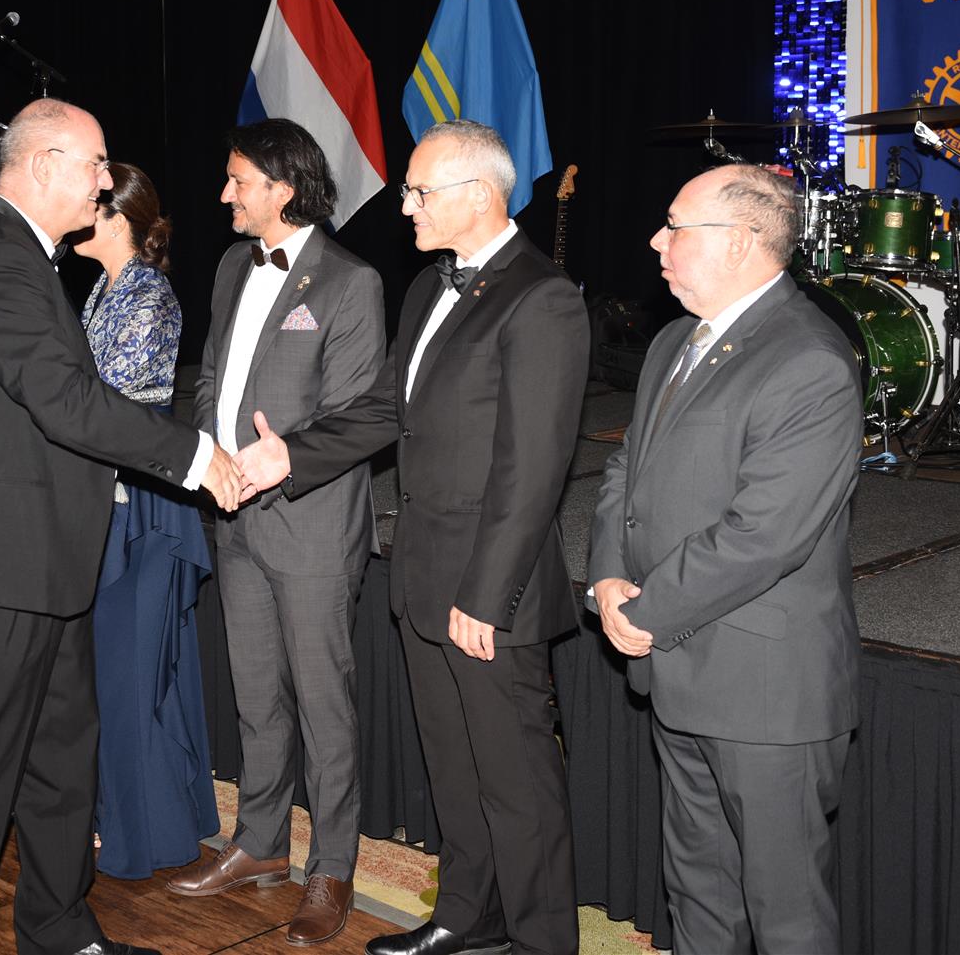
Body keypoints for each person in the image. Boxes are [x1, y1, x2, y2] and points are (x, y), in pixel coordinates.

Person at [0, 99, 243, 955]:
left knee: (59, 762)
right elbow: (67, 401)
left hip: (41, 562)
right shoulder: (1, 260)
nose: (105, 181)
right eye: (95, 163)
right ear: (43, 164)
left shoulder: (19, 256)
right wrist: (194, 455)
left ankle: (57, 929)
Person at [238, 121, 589, 955]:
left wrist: (487, 595)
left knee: (518, 784)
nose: (405, 207)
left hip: (488, 590)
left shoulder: (542, 297)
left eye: (420, 191)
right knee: (454, 767)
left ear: (480, 194)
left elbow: (532, 471)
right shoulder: (430, 288)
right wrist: (293, 453)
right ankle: (469, 914)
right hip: (424, 573)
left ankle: (543, 941)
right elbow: (387, 409)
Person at [588, 164, 863, 955]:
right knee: (698, 897)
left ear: (741, 241)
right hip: (679, 669)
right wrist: (605, 577)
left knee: (786, 916)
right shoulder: (674, 340)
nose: (656, 240)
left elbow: (763, 536)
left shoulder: (809, 359)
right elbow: (625, 471)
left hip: (765, 695)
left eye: (675, 225)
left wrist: (642, 610)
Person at [167, 121, 385, 942]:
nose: (225, 194)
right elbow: (211, 376)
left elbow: (358, 415)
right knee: (256, 694)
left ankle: (332, 868)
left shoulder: (351, 282)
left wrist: (279, 457)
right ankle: (260, 843)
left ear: (282, 188)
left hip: (310, 523)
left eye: (238, 181)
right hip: (233, 516)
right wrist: (211, 451)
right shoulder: (232, 264)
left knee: (325, 706)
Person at [70, 163, 220, 882]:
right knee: (111, 674)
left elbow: (112, 409)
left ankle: (140, 836)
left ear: (121, 220)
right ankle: (119, 818)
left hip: (141, 507)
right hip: (107, 496)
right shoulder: (103, 288)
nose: (80, 214)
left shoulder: (150, 297)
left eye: (94, 206)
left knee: (132, 677)